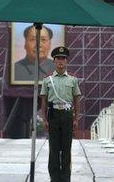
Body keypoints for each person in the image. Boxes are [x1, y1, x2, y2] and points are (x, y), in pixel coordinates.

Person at [40, 46, 81, 182]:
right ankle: (54, 178)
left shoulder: (73, 80)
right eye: (58, 59)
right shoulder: (47, 80)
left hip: (67, 115)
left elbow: (76, 100)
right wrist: (44, 119)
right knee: (54, 148)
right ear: (54, 61)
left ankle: (65, 178)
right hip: (53, 115)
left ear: (66, 61)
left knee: (66, 148)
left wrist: (76, 119)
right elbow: (44, 101)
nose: (61, 61)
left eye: (63, 59)